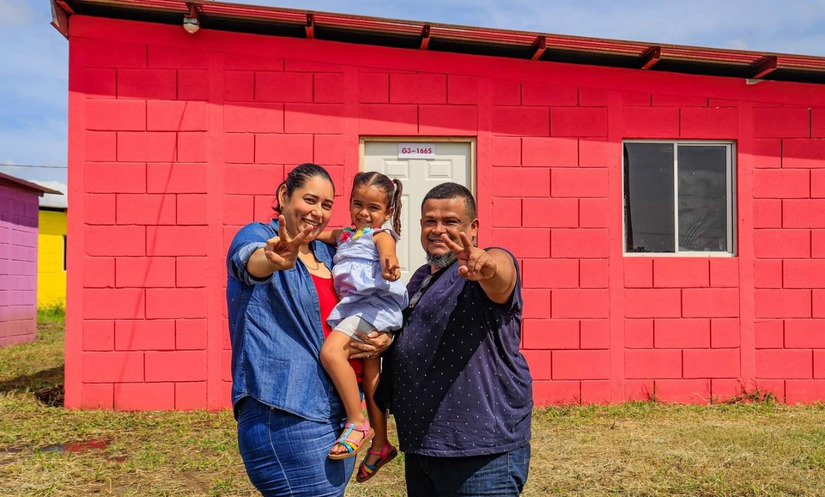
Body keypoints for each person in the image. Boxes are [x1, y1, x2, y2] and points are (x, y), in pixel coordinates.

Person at [226, 163, 393, 497]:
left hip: (337, 415)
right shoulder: (258, 236)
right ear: (283, 195)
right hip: (287, 413)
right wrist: (272, 259)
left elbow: (364, 298)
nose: (318, 212)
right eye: (310, 200)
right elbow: (250, 262)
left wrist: (382, 336)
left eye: (327, 205)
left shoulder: (329, 251)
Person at [389, 182, 533, 497]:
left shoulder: (478, 269)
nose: (438, 230)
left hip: (481, 455)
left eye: (450, 221)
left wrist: (489, 267)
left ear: (473, 228)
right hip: (423, 448)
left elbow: (502, 274)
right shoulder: (420, 280)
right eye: (430, 221)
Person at [316, 171, 408, 482]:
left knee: (331, 353)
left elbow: (387, 252)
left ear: (388, 212)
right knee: (371, 377)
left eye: (373, 207)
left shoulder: (380, 235)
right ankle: (381, 444)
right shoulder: (345, 235)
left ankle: (357, 422)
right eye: (358, 204)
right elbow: (319, 234)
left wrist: (390, 264)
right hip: (357, 309)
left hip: (371, 306)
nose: (364, 213)